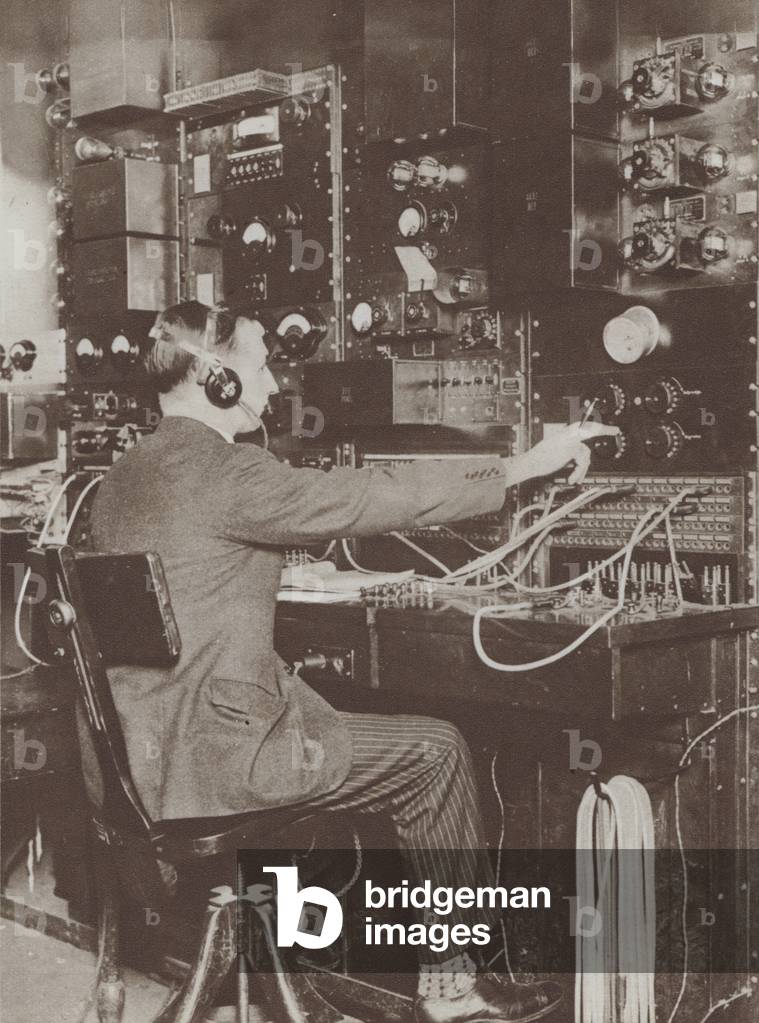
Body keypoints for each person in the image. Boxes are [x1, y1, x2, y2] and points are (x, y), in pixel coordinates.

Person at [85, 300, 618, 1023]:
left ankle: (331, 963)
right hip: (218, 763)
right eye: (261, 365)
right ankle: (453, 987)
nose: (273, 386)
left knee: (335, 712)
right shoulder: (227, 471)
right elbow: (365, 495)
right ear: (216, 379)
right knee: (434, 752)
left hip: (140, 758)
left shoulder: (121, 475)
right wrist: (520, 467)